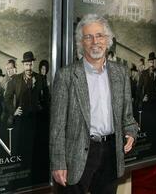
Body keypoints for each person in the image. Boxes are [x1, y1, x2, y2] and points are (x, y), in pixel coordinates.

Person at [50, 14, 139, 194]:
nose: (94, 41)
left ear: (107, 40)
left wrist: (131, 132)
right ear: (81, 42)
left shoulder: (120, 73)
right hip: (76, 155)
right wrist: (58, 162)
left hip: (111, 152)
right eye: (88, 37)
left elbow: (127, 117)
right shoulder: (66, 75)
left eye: (99, 35)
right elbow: (57, 126)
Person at [4, 51, 48, 182]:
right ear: (23, 65)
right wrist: (13, 110)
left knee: (35, 151)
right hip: (21, 122)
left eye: (31, 64)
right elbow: (7, 98)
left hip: (35, 121)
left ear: (33, 63)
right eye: (26, 65)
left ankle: (33, 178)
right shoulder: (15, 79)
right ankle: (20, 179)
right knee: (20, 150)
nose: (29, 68)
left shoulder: (40, 78)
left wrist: (41, 108)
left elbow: (47, 98)